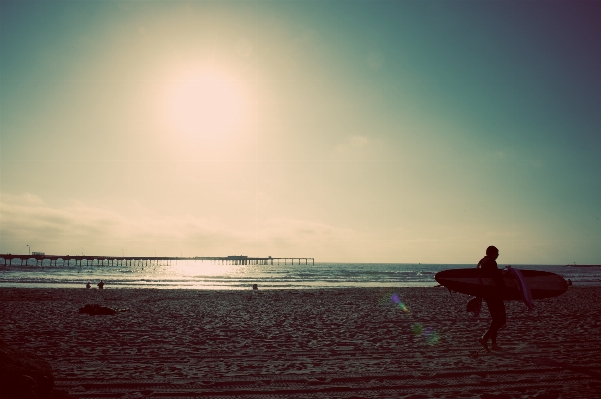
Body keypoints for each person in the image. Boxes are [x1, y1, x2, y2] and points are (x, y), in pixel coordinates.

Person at [477, 246, 506, 352]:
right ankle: (485, 338)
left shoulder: (483, 261)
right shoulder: (491, 262)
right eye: (497, 253)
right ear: (492, 253)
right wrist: (504, 288)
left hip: (487, 294)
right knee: (502, 319)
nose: (498, 255)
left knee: (496, 319)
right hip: (494, 294)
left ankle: (494, 344)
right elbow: (496, 277)